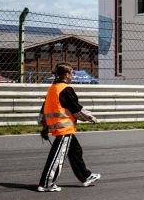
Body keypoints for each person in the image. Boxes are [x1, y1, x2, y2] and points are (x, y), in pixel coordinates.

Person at [37, 63, 101, 192]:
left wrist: (44, 126)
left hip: (59, 127)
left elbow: (44, 109)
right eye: (71, 72)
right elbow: (76, 108)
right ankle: (46, 184)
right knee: (57, 157)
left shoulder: (53, 88)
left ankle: (86, 176)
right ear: (66, 74)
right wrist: (91, 118)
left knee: (75, 150)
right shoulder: (66, 89)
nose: (72, 75)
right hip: (63, 128)